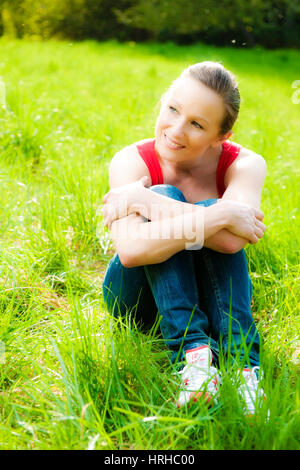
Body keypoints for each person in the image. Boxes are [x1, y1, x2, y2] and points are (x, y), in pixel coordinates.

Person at [101, 61, 267, 415]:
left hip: (208, 296)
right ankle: (194, 358)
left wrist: (147, 202)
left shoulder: (245, 165)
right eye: (173, 109)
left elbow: (231, 243)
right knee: (169, 193)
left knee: (178, 201)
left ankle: (242, 368)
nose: (175, 130)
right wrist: (220, 215)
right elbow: (130, 251)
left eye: (197, 124)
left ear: (222, 137)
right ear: (163, 100)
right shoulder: (131, 161)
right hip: (135, 298)